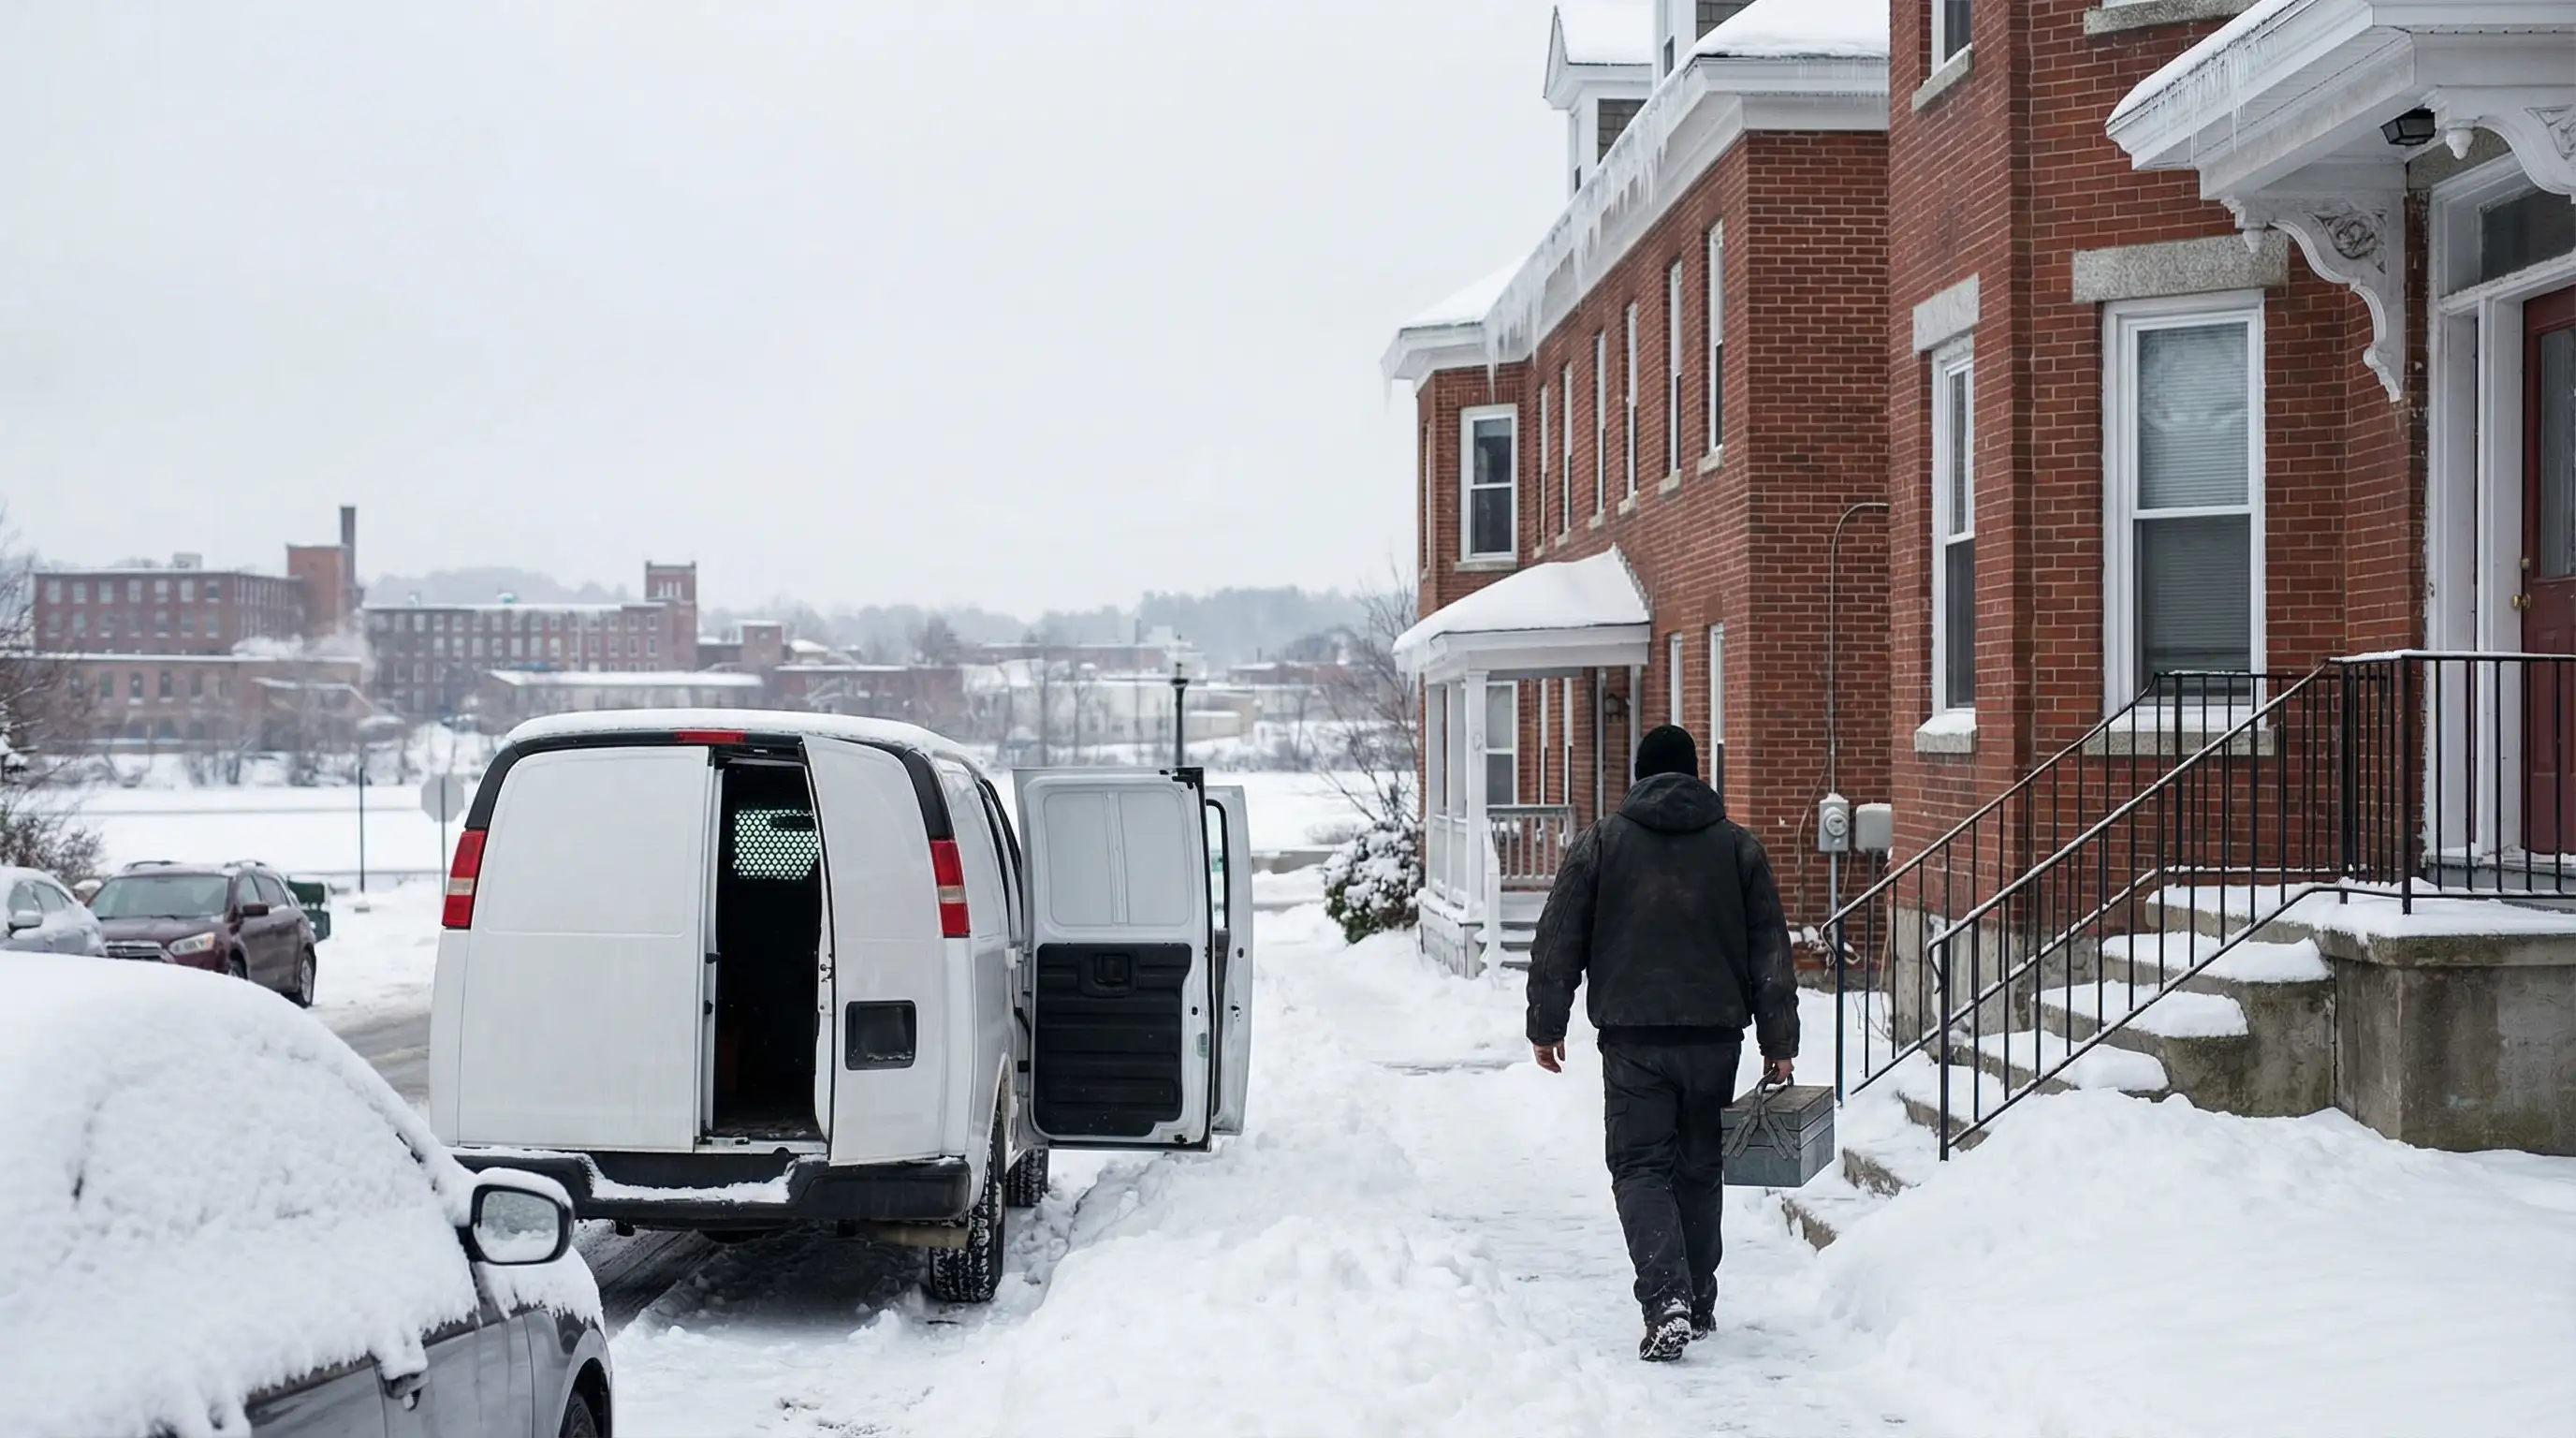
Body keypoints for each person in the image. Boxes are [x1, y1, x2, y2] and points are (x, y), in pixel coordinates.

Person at [1526, 724, 1797, 1362]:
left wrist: (1547, 1022)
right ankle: (1697, 1298)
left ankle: (1665, 1298)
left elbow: (1559, 936)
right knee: (1700, 1167)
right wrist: (1778, 1040)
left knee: (1640, 1167)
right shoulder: (1737, 849)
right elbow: (1771, 952)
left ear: (1641, 776)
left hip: (1633, 1038)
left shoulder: (1601, 845)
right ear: (1696, 774)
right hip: (1714, 1037)